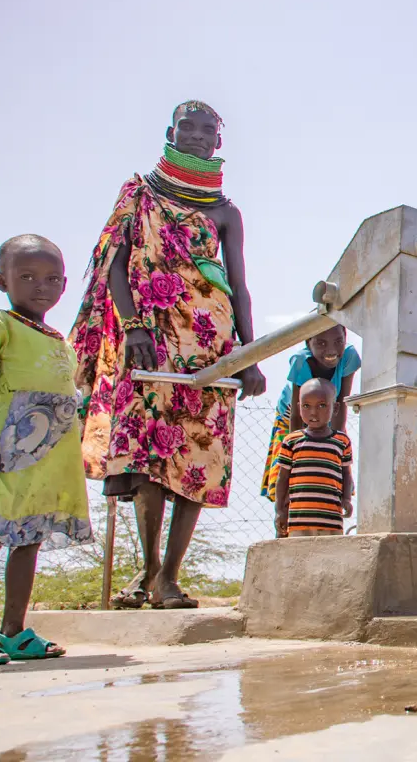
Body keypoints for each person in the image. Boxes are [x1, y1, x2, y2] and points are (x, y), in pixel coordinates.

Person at [72, 101, 267, 610]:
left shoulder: (226, 212)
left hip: (210, 346)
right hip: (150, 339)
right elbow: (113, 265)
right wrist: (133, 324)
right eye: (189, 127)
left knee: (196, 456)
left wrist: (249, 354)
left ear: (219, 143)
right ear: (170, 132)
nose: (199, 137)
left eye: (209, 131)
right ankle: (151, 568)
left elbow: (240, 288)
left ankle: (168, 577)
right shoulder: (140, 195)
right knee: (148, 457)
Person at [0, 235, 90, 662]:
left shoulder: (58, 339)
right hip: (7, 458)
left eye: (52, 278)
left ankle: (13, 632)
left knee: (28, 540)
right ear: (2, 280)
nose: (41, 286)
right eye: (28, 276)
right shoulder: (3, 326)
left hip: (47, 464)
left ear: (65, 285)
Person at [259, 325, 360, 502]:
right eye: (321, 343)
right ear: (308, 342)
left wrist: (340, 455)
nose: (331, 350)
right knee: (287, 478)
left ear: (345, 339)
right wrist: (294, 460)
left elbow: (340, 406)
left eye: (338, 342)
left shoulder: (349, 356)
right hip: (291, 416)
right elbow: (297, 416)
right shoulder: (300, 361)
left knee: (327, 473)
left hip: (327, 415)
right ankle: (284, 516)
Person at [272, 379, 353, 538]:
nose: (313, 412)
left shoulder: (342, 442)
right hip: (299, 520)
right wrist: (280, 510)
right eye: (306, 406)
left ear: (335, 408)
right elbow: (282, 479)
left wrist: (347, 498)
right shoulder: (291, 441)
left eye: (322, 405)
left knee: (330, 559)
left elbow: (346, 474)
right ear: (298, 408)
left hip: (331, 519)